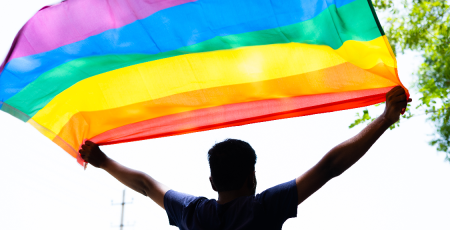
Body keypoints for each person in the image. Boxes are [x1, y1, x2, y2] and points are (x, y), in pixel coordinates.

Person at [79, 86, 410, 230]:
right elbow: (329, 167)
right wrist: (384, 119)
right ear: (252, 177)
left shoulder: (194, 214)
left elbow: (145, 185)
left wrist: (103, 160)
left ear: (212, 181)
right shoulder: (263, 209)